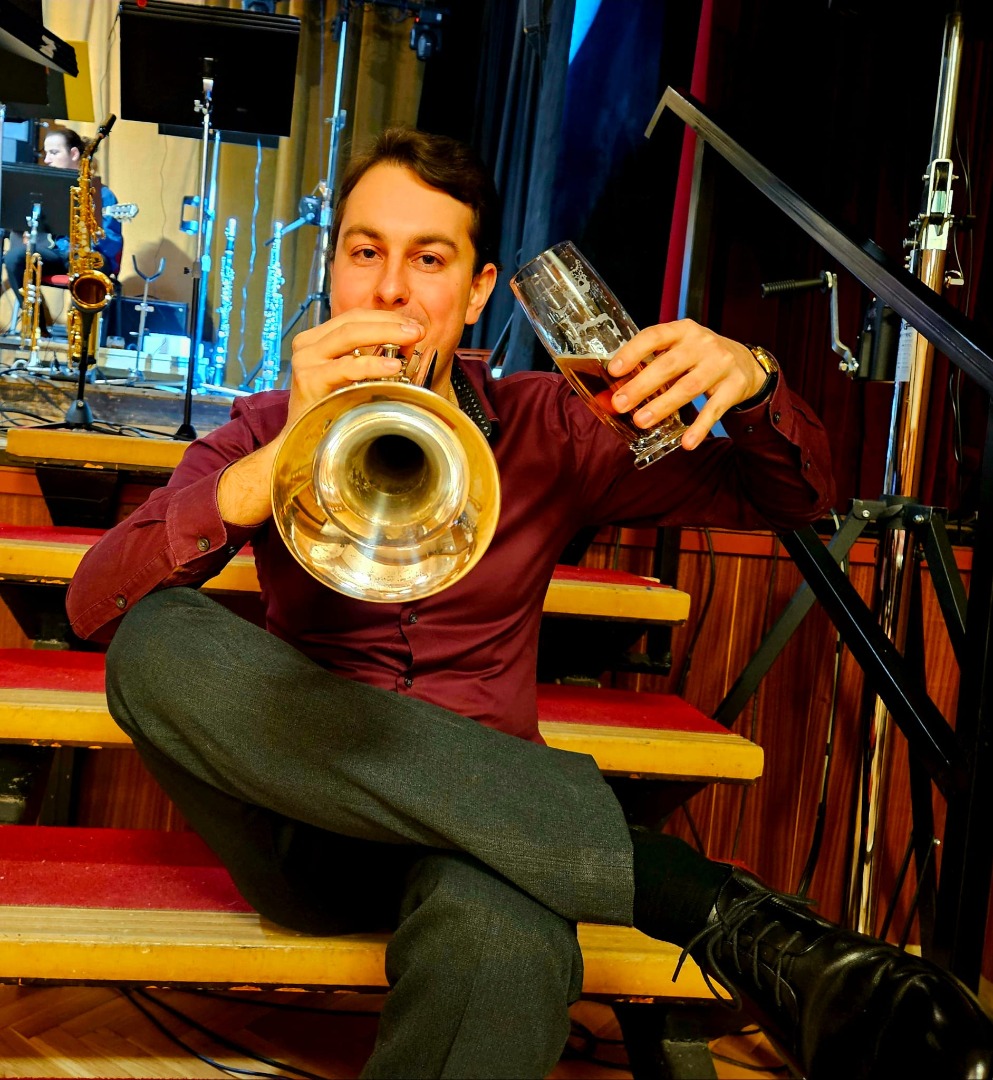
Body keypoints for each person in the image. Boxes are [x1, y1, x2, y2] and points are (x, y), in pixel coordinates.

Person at [66, 128, 993, 1079]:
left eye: (429, 259)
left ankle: (622, 879)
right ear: (333, 272)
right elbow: (95, 604)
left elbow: (794, 501)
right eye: (365, 252)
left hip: (499, 842)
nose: (390, 289)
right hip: (309, 835)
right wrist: (277, 460)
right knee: (156, 640)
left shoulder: (552, 425)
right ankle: (702, 902)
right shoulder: (264, 427)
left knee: (505, 936)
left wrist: (753, 380)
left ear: (476, 293)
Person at [2, 125, 123, 336]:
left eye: (54, 153)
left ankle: (82, 336)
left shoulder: (100, 194)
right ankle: (38, 327)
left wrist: (85, 243)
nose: (47, 160)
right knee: (15, 258)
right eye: (46, 154)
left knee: (89, 265)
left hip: (87, 257)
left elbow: (111, 242)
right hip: (57, 254)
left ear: (74, 154)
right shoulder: (45, 192)